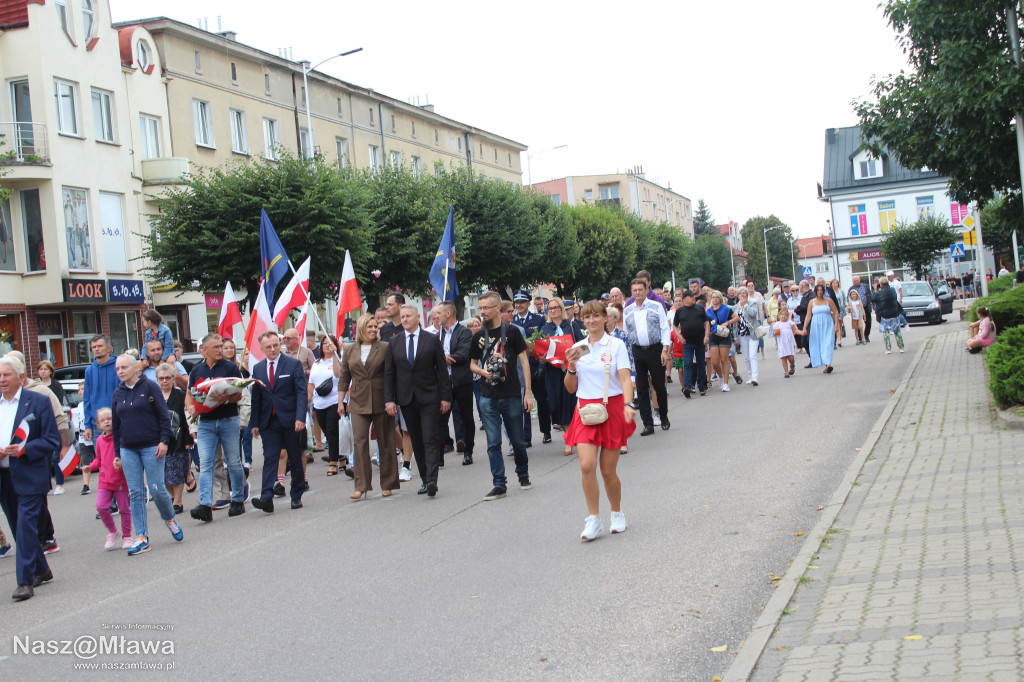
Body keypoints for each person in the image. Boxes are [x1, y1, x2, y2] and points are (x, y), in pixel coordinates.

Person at [563, 301, 636, 541]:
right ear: (582, 321)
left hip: (612, 407)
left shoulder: (616, 345)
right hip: (585, 410)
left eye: (596, 316)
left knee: (607, 470)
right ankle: (593, 519)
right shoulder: (577, 348)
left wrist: (628, 403)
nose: (591, 321)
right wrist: (571, 367)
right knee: (586, 465)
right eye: (587, 317)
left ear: (605, 318)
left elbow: (625, 378)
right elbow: (571, 388)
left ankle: (616, 512)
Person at [0, 355, 61, 601]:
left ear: (21, 377)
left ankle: (25, 581)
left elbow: (51, 440)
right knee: (17, 526)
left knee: (26, 526)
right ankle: (42, 569)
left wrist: (25, 449)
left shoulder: (38, 402)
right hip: (4, 476)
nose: (1, 379)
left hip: (29, 474)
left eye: (6, 375)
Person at [110, 354, 183, 556]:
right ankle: (141, 536)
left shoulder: (150, 387)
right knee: (136, 493)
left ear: (136, 368)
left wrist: (164, 441)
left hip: (152, 446)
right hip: (128, 448)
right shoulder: (117, 393)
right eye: (118, 369)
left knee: (157, 489)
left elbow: (163, 416)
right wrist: (117, 453)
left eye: (124, 367)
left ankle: (170, 519)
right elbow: (116, 428)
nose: (121, 371)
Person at [470, 292, 533, 501]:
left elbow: (524, 362)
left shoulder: (513, 332)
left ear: (498, 308)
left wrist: (528, 393)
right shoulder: (478, 336)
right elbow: (472, 364)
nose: (483, 312)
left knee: (517, 440)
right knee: (492, 442)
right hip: (487, 396)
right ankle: (499, 484)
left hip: (511, 394)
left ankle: (523, 474)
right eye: (480, 308)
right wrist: (483, 372)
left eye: (486, 308)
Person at [383, 305, 451, 497]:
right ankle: (424, 478)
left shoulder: (430, 340)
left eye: (408, 316)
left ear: (418, 317)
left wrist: (445, 396)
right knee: (417, 440)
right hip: (406, 399)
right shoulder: (394, 343)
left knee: (430, 437)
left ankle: (432, 480)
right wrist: (390, 400)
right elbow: (390, 374)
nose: (404, 319)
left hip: (429, 397)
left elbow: (442, 371)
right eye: (402, 317)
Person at [185, 333, 246, 522]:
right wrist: (190, 407)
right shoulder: (196, 370)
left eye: (221, 346)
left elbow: (239, 394)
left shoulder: (230, 368)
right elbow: (189, 393)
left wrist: (226, 398)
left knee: (233, 461)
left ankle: (237, 499)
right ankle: (205, 504)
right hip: (206, 423)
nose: (220, 350)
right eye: (215, 347)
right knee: (205, 464)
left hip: (228, 419)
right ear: (203, 350)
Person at [338, 314, 399, 498]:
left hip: (382, 399)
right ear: (361, 328)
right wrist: (341, 402)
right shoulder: (349, 350)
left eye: (375, 327)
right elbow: (344, 378)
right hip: (358, 401)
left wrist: (392, 400)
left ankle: (387, 483)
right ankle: (361, 486)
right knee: (360, 443)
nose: (373, 330)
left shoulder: (385, 347)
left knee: (386, 442)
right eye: (369, 327)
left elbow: (391, 375)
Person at [249, 331, 308, 512]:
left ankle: (296, 494)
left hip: (290, 420)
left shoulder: (292, 364)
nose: (273, 349)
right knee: (270, 458)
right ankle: (266, 497)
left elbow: (301, 392)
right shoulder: (258, 369)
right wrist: (255, 423)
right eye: (269, 347)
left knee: (295, 458)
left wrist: (300, 417)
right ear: (262, 349)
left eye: (275, 345)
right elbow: (256, 398)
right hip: (270, 422)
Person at [622, 278, 672, 435]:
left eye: (640, 290)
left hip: (655, 349)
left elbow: (664, 329)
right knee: (642, 388)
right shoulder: (627, 309)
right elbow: (626, 332)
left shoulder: (656, 306)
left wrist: (665, 350)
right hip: (637, 351)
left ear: (646, 290)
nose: (637, 293)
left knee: (659, 386)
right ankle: (647, 423)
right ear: (631, 292)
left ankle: (663, 416)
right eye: (634, 290)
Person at [83, 407, 132, 550]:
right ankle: (113, 532)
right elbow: (98, 460)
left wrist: (122, 462)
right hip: (105, 480)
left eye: (109, 418)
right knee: (101, 506)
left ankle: (127, 536)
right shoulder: (99, 440)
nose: (107, 422)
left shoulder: (121, 437)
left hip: (121, 479)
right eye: (102, 420)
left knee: (124, 508)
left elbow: (128, 454)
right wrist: (89, 467)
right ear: (98, 425)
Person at [542, 299, 585, 455]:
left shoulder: (572, 326)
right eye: (550, 308)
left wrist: (571, 362)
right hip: (552, 373)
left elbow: (582, 346)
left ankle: (569, 440)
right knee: (556, 405)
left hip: (570, 370)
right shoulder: (545, 328)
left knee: (571, 404)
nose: (553, 310)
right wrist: (542, 357)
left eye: (555, 307)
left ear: (561, 309)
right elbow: (542, 351)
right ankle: (570, 435)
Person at [436, 302, 475, 466]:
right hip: (444, 383)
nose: (436, 316)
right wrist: (440, 358)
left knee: (466, 417)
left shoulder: (464, 332)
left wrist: (444, 357)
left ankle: (468, 451)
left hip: (462, 381)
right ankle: (439, 455)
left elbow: (464, 354)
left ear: (448, 314)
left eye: (439, 313)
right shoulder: (439, 334)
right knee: (440, 418)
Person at [512, 289, 551, 446]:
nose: (519, 305)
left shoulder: (538, 319)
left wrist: (541, 363)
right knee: (523, 403)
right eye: (517, 302)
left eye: (522, 302)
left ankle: (546, 431)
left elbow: (542, 341)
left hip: (535, 366)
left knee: (542, 400)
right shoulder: (511, 321)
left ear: (528, 303)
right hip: (519, 369)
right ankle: (526, 436)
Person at [155, 363, 191, 515]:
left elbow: (185, 418)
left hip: (178, 439)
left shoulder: (180, 395)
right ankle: (171, 496)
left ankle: (178, 501)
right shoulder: (153, 397)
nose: (164, 381)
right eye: (161, 378)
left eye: (167, 378)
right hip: (158, 440)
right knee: (163, 475)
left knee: (177, 471)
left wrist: (189, 439)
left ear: (173, 378)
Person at [308, 334, 343, 476]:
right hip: (319, 402)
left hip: (334, 400)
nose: (326, 346)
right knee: (327, 432)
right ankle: (342, 456)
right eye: (324, 343)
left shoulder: (338, 360)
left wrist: (335, 355)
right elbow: (311, 383)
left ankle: (333, 462)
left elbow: (339, 375)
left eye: (330, 343)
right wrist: (308, 398)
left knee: (332, 431)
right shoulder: (316, 363)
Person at [82, 334, 118, 445]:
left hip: (117, 423)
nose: (96, 349)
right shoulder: (89, 371)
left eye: (100, 346)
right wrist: (87, 426)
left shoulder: (119, 367)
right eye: (94, 347)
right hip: (97, 425)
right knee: (101, 461)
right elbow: (87, 399)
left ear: (109, 348)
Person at [674, 289, 709, 398]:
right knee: (688, 363)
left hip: (700, 340)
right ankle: (687, 386)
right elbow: (675, 326)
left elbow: (706, 322)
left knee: (700, 363)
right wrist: (680, 336)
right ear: (685, 299)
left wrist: (706, 335)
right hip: (687, 341)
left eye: (694, 296)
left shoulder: (699, 308)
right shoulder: (680, 311)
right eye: (691, 297)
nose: (694, 298)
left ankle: (701, 385)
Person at [802, 283, 840, 373]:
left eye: (821, 290)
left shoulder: (829, 300)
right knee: (820, 344)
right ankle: (826, 364)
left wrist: (836, 325)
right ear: (815, 291)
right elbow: (808, 316)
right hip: (816, 326)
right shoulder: (812, 302)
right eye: (818, 290)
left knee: (827, 343)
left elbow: (836, 312)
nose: (820, 292)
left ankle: (828, 364)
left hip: (828, 324)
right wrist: (804, 328)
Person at [706, 292, 739, 392]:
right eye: (713, 297)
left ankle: (726, 383)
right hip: (713, 336)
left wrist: (727, 323)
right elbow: (706, 324)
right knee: (715, 362)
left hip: (724, 335)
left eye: (717, 297)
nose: (715, 299)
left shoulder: (726, 309)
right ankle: (720, 377)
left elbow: (737, 318)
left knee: (724, 359)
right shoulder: (708, 311)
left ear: (720, 299)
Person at [733, 287, 762, 386]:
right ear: (738, 296)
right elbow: (734, 324)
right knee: (746, 357)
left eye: (744, 293)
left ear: (747, 294)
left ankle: (755, 377)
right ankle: (750, 376)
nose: (742, 295)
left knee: (752, 355)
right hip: (742, 335)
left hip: (752, 333)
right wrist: (735, 337)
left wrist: (745, 305)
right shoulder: (735, 307)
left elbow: (753, 314)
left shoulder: (752, 304)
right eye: (740, 293)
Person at [874, 278, 905, 355]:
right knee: (897, 331)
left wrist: (875, 290)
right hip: (894, 313)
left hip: (885, 315)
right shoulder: (893, 290)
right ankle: (901, 347)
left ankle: (888, 349)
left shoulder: (879, 293)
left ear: (881, 284)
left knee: (885, 332)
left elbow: (873, 299)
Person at [773, 308, 798, 377]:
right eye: (782, 314)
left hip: (789, 343)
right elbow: (774, 332)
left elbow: (795, 330)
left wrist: (801, 332)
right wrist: (775, 332)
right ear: (779, 315)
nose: (783, 316)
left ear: (788, 316)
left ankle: (792, 365)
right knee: (783, 357)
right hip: (782, 343)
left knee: (791, 358)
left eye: (785, 315)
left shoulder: (789, 322)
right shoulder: (777, 324)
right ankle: (786, 372)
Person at [848, 275, 873, 343]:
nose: (855, 282)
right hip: (856, 309)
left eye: (856, 281)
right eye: (854, 281)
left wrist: (872, 303)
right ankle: (860, 337)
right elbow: (848, 298)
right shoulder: (851, 288)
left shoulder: (865, 286)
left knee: (868, 322)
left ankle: (866, 335)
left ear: (860, 280)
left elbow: (870, 295)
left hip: (865, 306)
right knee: (858, 323)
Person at [829, 279, 846, 347]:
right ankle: (835, 339)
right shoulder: (830, 292)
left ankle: (839, 340)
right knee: (835, 324)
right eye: (834, 283)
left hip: (840, 309)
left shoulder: (840, 291)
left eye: (836, 283)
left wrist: (844, 306)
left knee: (839, 323)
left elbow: (844, 299)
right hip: (833, 309)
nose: (835, 284)